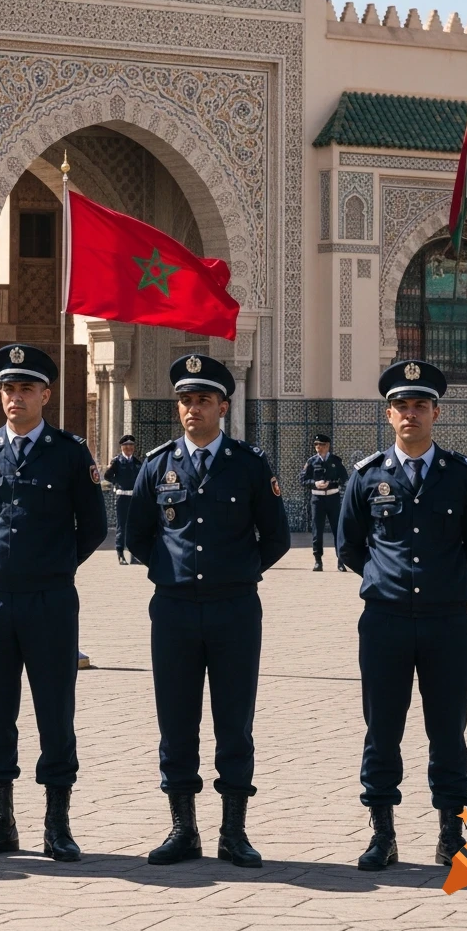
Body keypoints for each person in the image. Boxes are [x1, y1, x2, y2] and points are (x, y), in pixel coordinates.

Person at [126, 354, 291, 867]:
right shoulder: (157, 465)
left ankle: (233, 832)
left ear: (224, 404)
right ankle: (183, 829)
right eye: (185, 400)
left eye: (202, 399)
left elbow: (278, 537)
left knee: (234, 720)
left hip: (234, 609)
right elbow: (138, 536)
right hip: (173, 610)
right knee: (176, 720)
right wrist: (173, 574)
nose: (192, 408)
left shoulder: (248, 464)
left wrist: (237, 571)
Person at [337, 360, 467, 873]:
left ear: (436, 413)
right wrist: (392, 583)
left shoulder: (462, 477)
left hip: (447, 621)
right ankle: (383, 834)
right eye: (402, 406)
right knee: (382, 729)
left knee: (448, 729)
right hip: (385, 622)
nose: (411, 414)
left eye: (420, 406)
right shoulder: (366, 477)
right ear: (389, 414)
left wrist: (440, 585)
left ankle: (452, 832)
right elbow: (351, 546)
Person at [0, 344, 106, 862]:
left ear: (46, 394)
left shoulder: (69, 453)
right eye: (7, 389)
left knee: (54, 711)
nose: (14, 397)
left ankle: (57, 825)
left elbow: (94, 527)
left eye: (25, 388)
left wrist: (53, 565)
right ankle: (0, 821)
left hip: (50, 601)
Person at [298, 434, 348, 572]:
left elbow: (344, 478)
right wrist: (314, 483)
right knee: (317, 531)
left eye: (320, 444)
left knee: (337, 530)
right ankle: (318, 560)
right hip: (317, 500)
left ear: (327, 445)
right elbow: (302, 479)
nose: (317, 447)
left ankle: (341, 561)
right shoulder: (311, 461)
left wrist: (331, 483)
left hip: (333, 498)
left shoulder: (336, 461)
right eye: (316, 445)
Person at [105, 435, 141, 565]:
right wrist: (117, 482)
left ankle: (134, 555)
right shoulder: (117, 461)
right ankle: (120, 554)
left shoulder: (137, 462)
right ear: (122, 447)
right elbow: (107, 476)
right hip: (122, 497)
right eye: (126, 446)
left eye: (131, 446)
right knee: (122, 526)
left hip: (134, 497)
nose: (129, 448)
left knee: (134, 526)